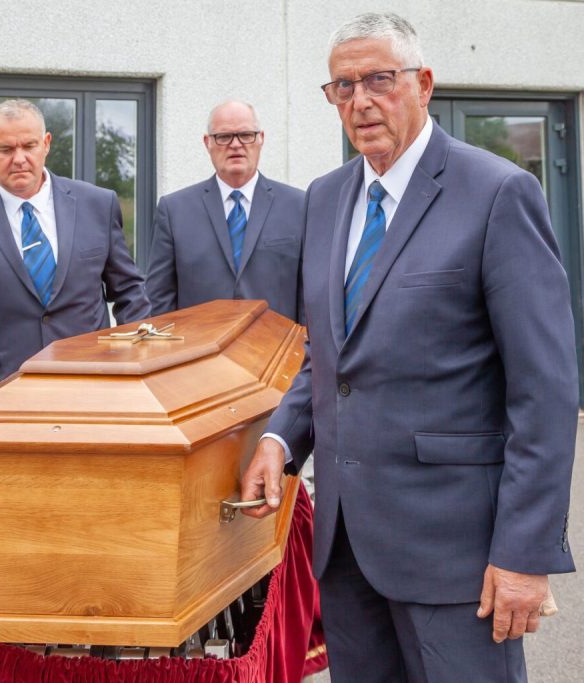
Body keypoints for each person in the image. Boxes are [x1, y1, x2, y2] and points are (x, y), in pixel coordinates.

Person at [240, 12, 577, 682]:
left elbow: (545, 392)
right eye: (342, 87)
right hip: (346, 550)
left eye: (379, 80)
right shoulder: (327, 199)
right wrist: (279, 442)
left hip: (458, 556)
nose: (360, 101)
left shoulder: (498, 192)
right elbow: (328, 359)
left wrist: (524, 553)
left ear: (423, 84)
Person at [0, 99, 150, 392]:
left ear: (46, 144)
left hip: (93, 383)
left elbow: (129, 292)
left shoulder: (98, 205)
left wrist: (133, 361)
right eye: (6, 149)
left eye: (29, 146)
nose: (20, 158)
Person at [146, 101, 304, 320]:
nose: (236, 145)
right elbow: (159, 301)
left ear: (261, 139)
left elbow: (310, 295)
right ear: (207, 142)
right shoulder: (174, 211)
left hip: (277, 351)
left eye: (246, 135)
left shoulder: (299, 206)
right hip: (200, 350)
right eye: (224, 136)